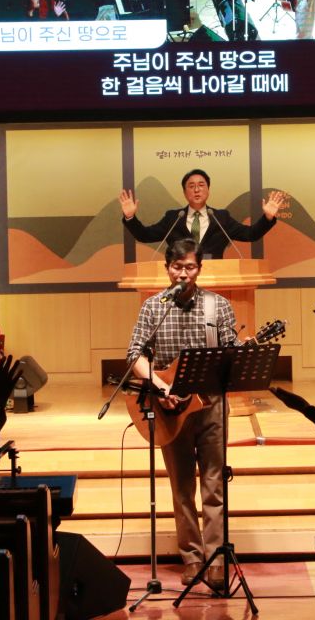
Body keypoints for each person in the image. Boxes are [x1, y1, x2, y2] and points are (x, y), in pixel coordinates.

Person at [125, 238, 239, 589]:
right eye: (177, 267)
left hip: (210, 406)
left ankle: (216, 560)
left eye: (190, 267)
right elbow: (135, 354)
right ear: (168, 269)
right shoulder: (153, 307)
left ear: (199, 269)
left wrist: (238, 355)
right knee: (181, 486)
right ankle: (192, 558)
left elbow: (231, 353)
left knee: (214, 484)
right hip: (169, 409)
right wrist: (161, 388)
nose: (183, 274)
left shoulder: (218, 306)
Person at [119, 168, 285, 259]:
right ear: (185, 192)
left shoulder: (221, 218)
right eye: (191, 186)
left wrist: (267, 218)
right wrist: (130, 217)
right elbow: (145, 235)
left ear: (208, 189)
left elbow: (250, 234)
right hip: (182, 279)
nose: (197, 190)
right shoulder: (173, 218)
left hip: (216, 279)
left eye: (201, 185)